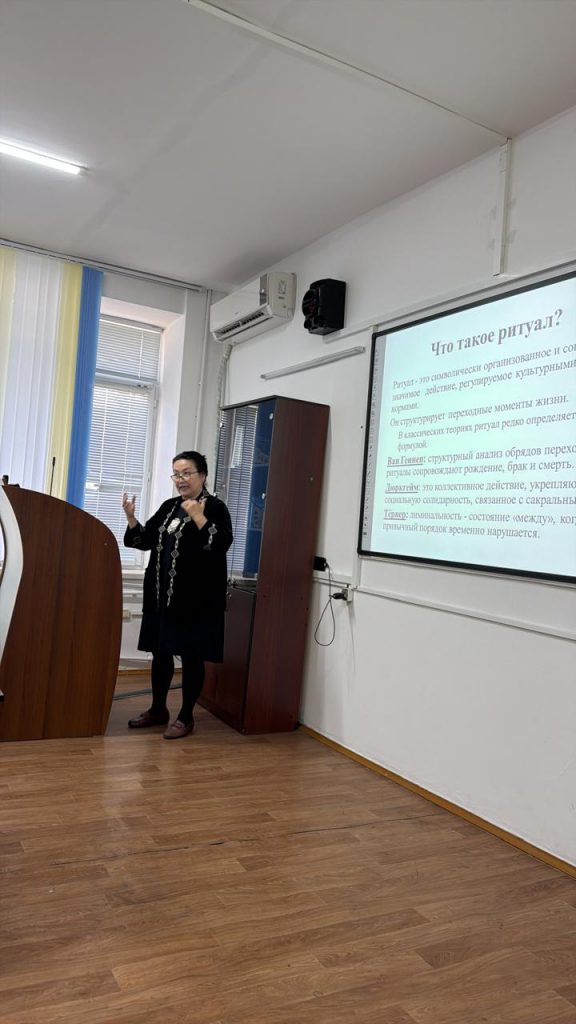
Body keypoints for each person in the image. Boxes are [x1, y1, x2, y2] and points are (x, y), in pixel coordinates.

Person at [122, 450, 233, 739]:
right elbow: (145, 540)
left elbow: (221, 543)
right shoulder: (170, 506)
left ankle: (186, 717)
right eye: (176, 474)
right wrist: (132, 518)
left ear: (202, 475)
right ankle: (158, 709)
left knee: (192, 656)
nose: (181, 479)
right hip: (162, 598)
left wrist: (199, 518)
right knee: (161, 653)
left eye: (187, 473)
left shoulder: (215, 507)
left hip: (195, 601)